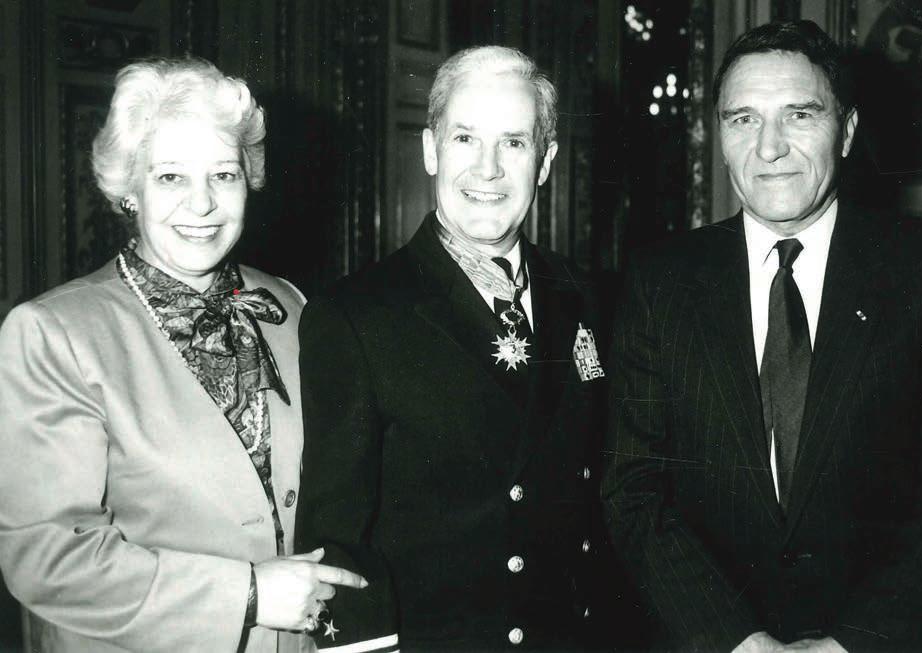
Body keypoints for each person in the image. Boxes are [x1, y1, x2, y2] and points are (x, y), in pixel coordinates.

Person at [602, 20, 922, 652]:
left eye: (799, 115)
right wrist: (738, 640)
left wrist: (850, 645)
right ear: (719, 137)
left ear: (846, 131)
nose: (769, 147)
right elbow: (634, 491)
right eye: (743, 119)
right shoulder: (659, 280)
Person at [0, 58, 369, 652]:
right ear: (130, 190)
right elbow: (47, 557)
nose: (202, 205)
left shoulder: (288, 304)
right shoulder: (53, 333)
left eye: (223, 175)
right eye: (171, 177)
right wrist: (248, 595)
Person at [297, 45, 636, 651]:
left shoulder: (587, 296)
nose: (488, 170)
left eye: (514, 143)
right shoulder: (354, 316)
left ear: (546, 161)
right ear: (430, 150)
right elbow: (336, 548)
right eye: (465, 139)